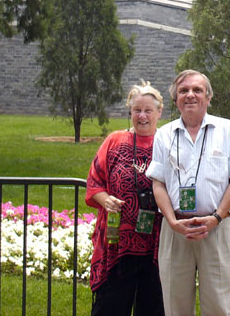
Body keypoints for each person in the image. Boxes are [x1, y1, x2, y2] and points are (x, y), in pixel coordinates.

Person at [147, 69, 230, 316]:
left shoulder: (227, 130)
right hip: (175, 231)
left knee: (222, 306)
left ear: (208, 97)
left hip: (215, 228)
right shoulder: (163, 135)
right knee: (175, 305)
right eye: (184, 91)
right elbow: (158, 183)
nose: (190, 95)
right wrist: (171, 221)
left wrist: (215, 217)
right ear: (175, 100)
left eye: (197, 90)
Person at [85, 81, 165, 316]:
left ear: (159, 112)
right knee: (110, 307)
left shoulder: (168, 142)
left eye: (148, 110)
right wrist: (105, 199)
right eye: (136, 110)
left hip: (156, 246)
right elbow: (94, 181)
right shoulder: (115, 141)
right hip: (117, 243)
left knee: (153, 308)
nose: (142, 116)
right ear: (130, 112)